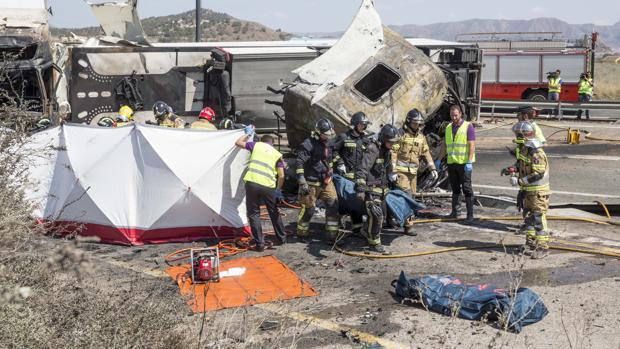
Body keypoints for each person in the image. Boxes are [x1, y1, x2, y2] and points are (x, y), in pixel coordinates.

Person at [235, 127, 287, 252]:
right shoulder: (277, 154)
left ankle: (260, 244)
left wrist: (248, 134)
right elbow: (281, 175)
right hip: (268, 186)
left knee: (254, 213)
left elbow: (238, 142)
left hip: (252, 182)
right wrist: (278, 190)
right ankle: (281, 238)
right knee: (274, 211)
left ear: (262, 141)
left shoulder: (256, 145)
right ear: (272, 144)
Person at [505, 121, 551, 259]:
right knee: (529, 217)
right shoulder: (525, 149)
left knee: (538, 217)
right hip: (528, 191)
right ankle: (530, 243)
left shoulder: (536, 152)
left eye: (518, 134)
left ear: (524, 135)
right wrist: (512, 169)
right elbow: (522, 165)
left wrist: (521, 180)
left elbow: (538, 173)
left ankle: (543, 247)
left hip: (538, 192)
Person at [392, 109, 438, 235]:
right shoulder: (401, 135)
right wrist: (393, 170)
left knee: (411, 197)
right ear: (408, 122)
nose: (417, 126)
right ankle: (407, 224)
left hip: (413, 174)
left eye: (419, 124)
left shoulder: (421, 137)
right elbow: (393, 153)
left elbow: (426, 153)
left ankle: (405, 224)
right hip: (401, 172)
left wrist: (432, 168)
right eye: (414, 123)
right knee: (407, 195)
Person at [355, 124, 399, 253]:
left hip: (381, 189)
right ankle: (374, 243)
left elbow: (385, 168)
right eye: (390, 142)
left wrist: (392, 174)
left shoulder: (386, 150)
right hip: (370, 189)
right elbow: (362, 170)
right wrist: (361, 190)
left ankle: (364, 231)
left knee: (381, 216)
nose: (392, 145)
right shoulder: (373, 149)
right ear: (384, 139)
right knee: (377, 215)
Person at [295, 118, 340, 242]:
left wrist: (338, 163)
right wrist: (301, 180)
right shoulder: (308, 144)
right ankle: (302, 233)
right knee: (309, 209)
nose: (328, 137)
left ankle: (331, 235)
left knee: (333, 203)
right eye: (325, 134)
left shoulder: (328, 142)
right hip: (310, 182)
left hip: (326, 180)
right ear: (318, 132)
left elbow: (331, 156)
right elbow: (299, 162)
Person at [331, 111, 373, 235]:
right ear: (355, 124)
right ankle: (337, 227)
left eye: (365, 125)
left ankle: (357, 229)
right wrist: (339, 163)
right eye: (361, 124)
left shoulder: (365, 140)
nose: (363, 127)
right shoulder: (344, 137)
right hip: (344, 177)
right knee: (342, 203)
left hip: (358, 178)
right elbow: (333, 151)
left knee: (357, 204)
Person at [437, 105, 476, 223]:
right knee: (455, 188)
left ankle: (470, 215)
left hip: (464, 163)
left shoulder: (468, 126)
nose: (454, 117)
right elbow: (445, 145)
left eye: (456, 115)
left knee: (467, 188)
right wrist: (439, 159)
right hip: (452, 162)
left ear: (460, 114)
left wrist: (469, 161)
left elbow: (471, 145)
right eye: (452, 115)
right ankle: (455, 212)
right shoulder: (448, 127)